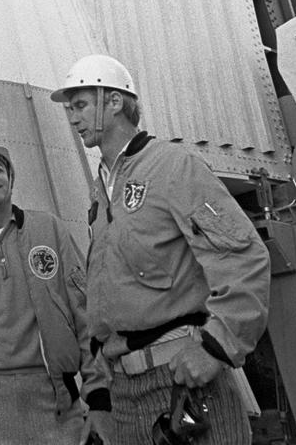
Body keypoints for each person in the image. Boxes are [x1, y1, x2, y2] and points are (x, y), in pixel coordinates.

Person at [51, 55, 271, 445]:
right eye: (70, 108)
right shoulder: (102, 190)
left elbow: (242, 256)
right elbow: (102, 306)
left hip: (183, 383)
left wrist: (217, 349)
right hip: (124, 396)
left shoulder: (172, 166)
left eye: (81, 104)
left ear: (114, 102)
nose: (72, 117)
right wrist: (100, 397)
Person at [0, 142, 113, 445]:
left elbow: (85, 313)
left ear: (11, 181)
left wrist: (98, 395)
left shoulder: (49, 230)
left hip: (58, 410)